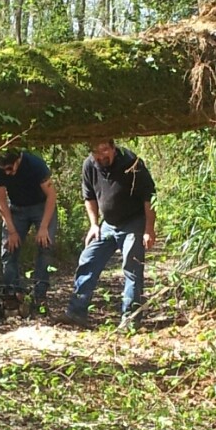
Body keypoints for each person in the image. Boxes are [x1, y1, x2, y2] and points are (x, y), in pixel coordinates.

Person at [63, 139, 156, 330]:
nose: (101, 155)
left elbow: (150, 197)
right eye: (96, 151)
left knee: (132, 265)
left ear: (113, 148)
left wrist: (149, 229)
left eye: (104, 149)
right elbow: (89, 196)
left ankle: (130, 319)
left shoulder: (131, 161)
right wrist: (93, 225)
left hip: (133, 222)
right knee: (88, 259)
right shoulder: (89, 165)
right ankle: (76, 312)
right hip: (108, 224)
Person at [0, 148, 58, 314]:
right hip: (17, 208)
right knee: (8, 249)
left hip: (42, 207)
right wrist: (12, 231)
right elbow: (1, 201)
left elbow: (51, 196)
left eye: (10, 168)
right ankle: (12, 296)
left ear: (18, 160)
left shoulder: (35, 165)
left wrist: (43, 227)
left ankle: (39, 296)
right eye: (4, 170)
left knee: (45, 247)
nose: (8, 173)